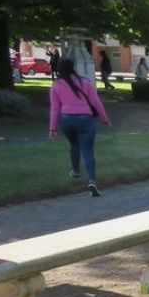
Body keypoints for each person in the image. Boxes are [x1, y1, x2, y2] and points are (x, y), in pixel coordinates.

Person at [49, 57, 111, 197]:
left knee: (74, 145)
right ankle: (92, 181)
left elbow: (54, 108)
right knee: (88, 151)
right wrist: (104, 119)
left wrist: (52, 128)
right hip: (85, 119)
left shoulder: (56, 85)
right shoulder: (85, 82)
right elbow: (96, 103)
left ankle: (76, 171)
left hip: (66, 120)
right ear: (73, 67)